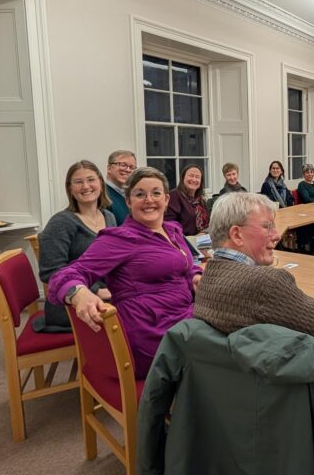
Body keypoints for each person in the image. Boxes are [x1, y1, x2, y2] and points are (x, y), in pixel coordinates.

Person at [194, 192, 314, 374]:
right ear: (236, 234)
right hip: (294, 392)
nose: (276, 235)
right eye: (267, 226)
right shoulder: (268, 281)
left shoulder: (206, 278)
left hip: (240, 387)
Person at [48, 167, 203, 378]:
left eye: (156, 193)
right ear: (128, 202)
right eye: (140, 194)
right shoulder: (121, 238)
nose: (149, 199)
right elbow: (62, 275)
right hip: (153, 330)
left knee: (241, 322)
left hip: (182, 313)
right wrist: (79, 293)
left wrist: (194, 275)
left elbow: (185, 262)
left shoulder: (172, 229)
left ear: (166, 199)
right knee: (234, 340)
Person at [33, 160, 116, 333]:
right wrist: (95, 290)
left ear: (100, 182)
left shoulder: (108, 217)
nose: (86, 186)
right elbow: (51, 271)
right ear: (70, 188)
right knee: (137, 315)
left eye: (91, 179)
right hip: (70, 302)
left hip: (107, 293)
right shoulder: (61, 222)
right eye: (78, 182)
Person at [165, 164, 209, 236]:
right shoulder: (173, 197)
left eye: (197, 177)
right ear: (183, 178)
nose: (194, 179)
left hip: (202, 242)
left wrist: (204, 233)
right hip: (181, 242)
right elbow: (169, 226)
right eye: (191, 176)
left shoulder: (201, 200)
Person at [104, 149, 136, 225]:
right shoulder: (102, 195)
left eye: (132, 167)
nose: (128, 170)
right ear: (109, 168)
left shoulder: (131, 196)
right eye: (123, 165)